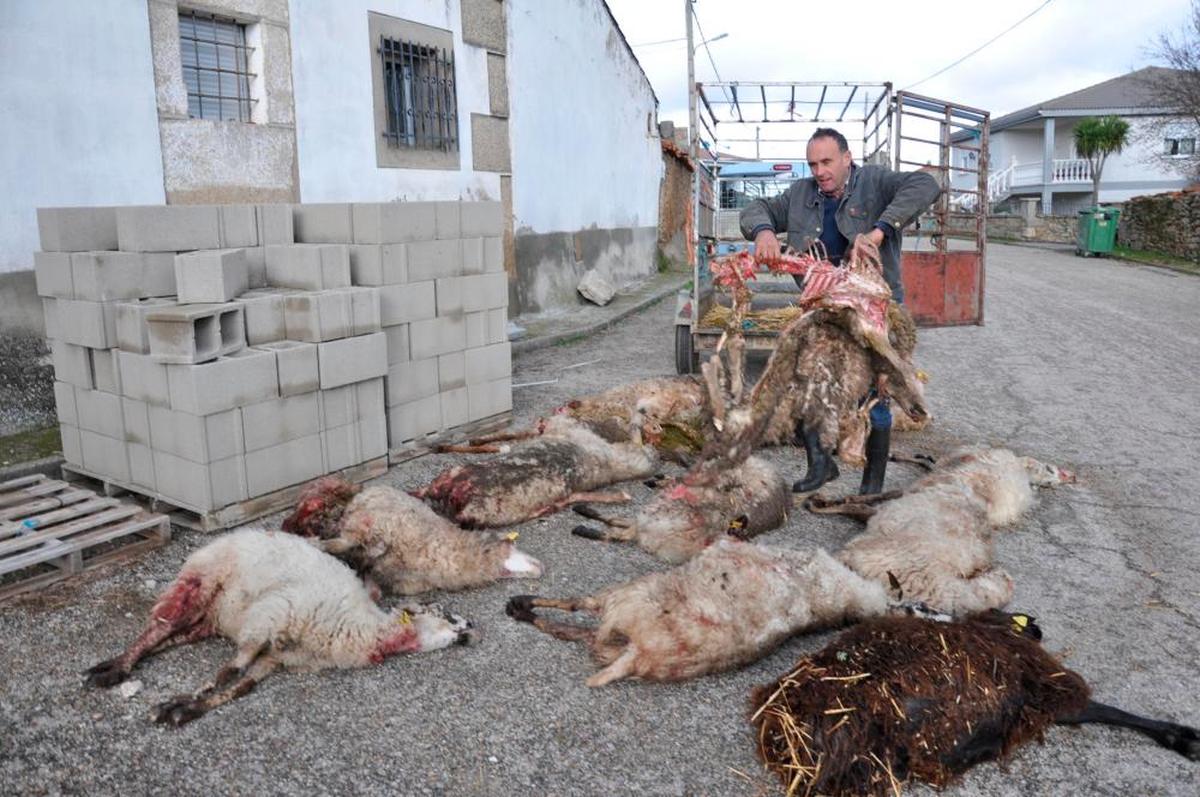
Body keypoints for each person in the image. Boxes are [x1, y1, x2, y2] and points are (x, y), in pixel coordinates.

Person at [739, 128, 939, 495]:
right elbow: (757, 209)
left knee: (880, 388)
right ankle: (821, 462)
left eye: (827, 162)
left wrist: (878, 233)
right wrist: (764, 232)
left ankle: (872, 484)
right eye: (813, 164)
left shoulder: (875, 183)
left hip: (875, 303)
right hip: (827, 306)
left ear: (847, 158)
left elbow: (925, 185)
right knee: (808, 374)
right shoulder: (800, 194)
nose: (819, 171)